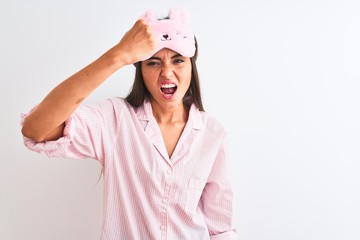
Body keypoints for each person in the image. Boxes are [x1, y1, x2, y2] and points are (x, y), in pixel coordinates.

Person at [21, 6, 238, 240]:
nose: (167, 73)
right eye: (153, 63)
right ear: (140, 71)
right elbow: (36, 129)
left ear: (191, 66)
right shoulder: (115, 119)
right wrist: (119, 55)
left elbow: (221, 229)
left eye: (178, 61)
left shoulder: (213, 133)